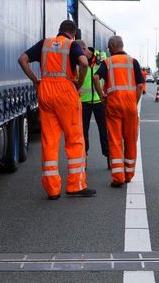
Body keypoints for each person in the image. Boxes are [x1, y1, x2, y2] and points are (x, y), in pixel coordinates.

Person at [18, 20, 96, 199]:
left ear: (59, 30)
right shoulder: (71, 44)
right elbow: (84, 63)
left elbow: (22, 59)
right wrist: (80, 82)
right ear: (73, 33)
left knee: (49, 140)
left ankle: (52, 189)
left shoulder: (44, 44)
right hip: (65, 91)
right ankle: (75, 185)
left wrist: (35, 80)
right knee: (75, 138)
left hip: (45, 91)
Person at [93, 36, 144, 187]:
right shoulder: (133, 61)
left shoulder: (107, 62)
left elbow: (96, 78)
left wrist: (102, 95)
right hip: (130, 105)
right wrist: (134, 102)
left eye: (109, 48)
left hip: (113, 104)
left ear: (112, 46)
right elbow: (140, 85)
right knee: (130, 140)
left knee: (115, 141)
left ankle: (118, 177)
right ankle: (129, 174)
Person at [75, 40, 110, 168]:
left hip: (99, 100)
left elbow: (108, 76)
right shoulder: (75, 60)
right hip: (83, 101)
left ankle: (109, 156)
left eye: (79, 53)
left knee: (104, 130)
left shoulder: (102, 57)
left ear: (84, 49)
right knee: (83, 131)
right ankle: (84, 157)